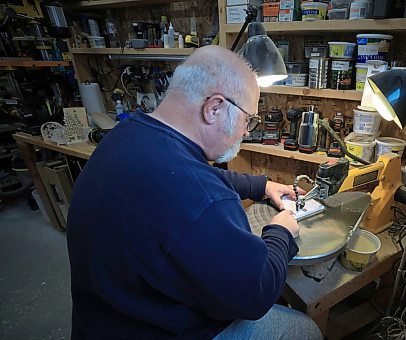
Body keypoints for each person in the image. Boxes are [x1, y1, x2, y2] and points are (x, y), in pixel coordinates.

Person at [67, 45, 322, 339]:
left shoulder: (128, 134)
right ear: (213, 108)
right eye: (248, 119)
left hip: (101, 319)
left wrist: (261, 185)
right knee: (305, 330)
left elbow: (192, 176)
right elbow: (256, 295)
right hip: (153, 329)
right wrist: (281, 232)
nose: (247, 131)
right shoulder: (200, 197)